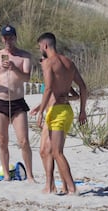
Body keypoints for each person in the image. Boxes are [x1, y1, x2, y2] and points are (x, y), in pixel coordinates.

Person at [33, 32, 87, 194]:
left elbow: (49, 88)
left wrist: (41, 112)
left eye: (39, 47)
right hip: (66, 111)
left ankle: (71, 188)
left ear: (45, 46)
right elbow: (83, 88)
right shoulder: (68, 62)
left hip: (56, 112)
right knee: (49, 150)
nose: (39, 50)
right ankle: (56, 186)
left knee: (57, 152)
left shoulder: (49, 62)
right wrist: (82, 111)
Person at [0, 24, 35, 182]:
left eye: (11, 38)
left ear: (15, 38)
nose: (8, 41)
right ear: (2, 39)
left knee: (24, 141)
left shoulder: (24, 56)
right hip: (0, 101)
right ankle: (6, 174)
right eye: (5, 38)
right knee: (2, 140)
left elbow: (27, 78)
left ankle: (31, 176)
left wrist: (14, 68)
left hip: (18, 102)